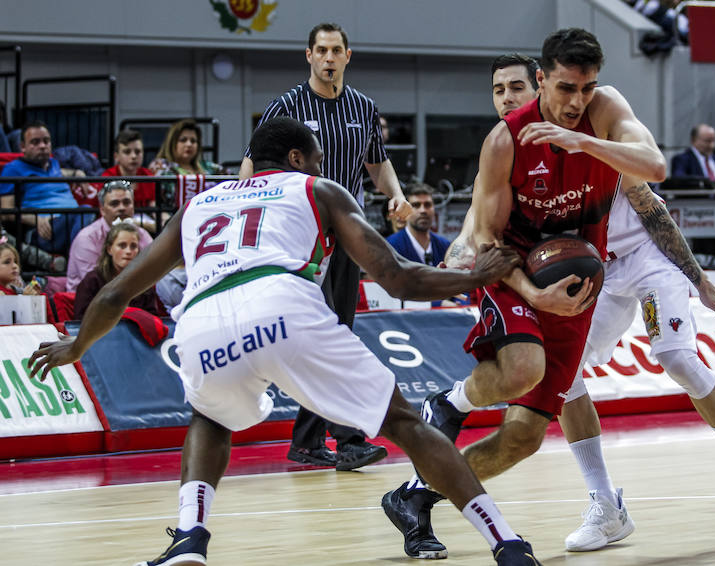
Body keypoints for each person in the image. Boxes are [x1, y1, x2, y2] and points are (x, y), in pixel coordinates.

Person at [28, 116, 540, 566]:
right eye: (316, 159)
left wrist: (76, 347)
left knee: (210, 417)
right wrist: (474, 277)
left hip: (201, 322)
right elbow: (397, 277)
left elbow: (117, 291)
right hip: (280, 302)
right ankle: (506, 542)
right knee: (404, 422)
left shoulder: (200, 205)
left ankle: (189, 537)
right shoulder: (316, 190)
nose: (320, 166)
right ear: (297, 158)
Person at [392, 44, 715, 558]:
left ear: (539, 86)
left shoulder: (599, 126)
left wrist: (700, 280)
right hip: (587, 269)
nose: (509, 98)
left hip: (642, 257)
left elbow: (652, 206)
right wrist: (461, 256)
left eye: (517, 87)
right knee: (567, 378)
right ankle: (606, 506)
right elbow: (478, 227)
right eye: (498, 90)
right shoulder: (507, 149)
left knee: (676, 357)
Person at [239, 22, 412, 471]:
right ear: (309, 56)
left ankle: (312, 438)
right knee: (327, 335)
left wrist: (395, 194)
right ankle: (347, 436)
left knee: (333, 333)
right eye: (321, 50)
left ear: (347, 56)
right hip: (300, 238)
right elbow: (251, 164)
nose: (329, 57)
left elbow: (378, 163)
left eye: (337, 50)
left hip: (347, 236)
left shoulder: (364, 108)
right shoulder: (287, 106)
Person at [0, 121, 92, 255]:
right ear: (22, 147)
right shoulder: (12, 170)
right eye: (35, 142)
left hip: (72, 222)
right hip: (45, 230)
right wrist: (36, 219)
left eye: (46, 141)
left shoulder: (53, 164)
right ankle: (79, 261)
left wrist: (78, 173)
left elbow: (65, 172)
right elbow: (6, 212)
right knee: (86, 212)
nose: (42, 146)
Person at [66, 180, 153, 292]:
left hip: (133, 295)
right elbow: (95, 284)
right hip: (91, 301)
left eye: (126, 202)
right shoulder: (87, 238)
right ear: (102, 210)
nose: (122, 208)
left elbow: (154, 268)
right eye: (114, 204)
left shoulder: (142, 234)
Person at [73, 222, 163, 320]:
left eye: (133, 246)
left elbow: (153, 320)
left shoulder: (144, 283)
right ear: (109, 249)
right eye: (122, 246)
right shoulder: (92, 281)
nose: (128, 251)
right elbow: (80, 320)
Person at [151, 119, 225, 208]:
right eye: (183, 140)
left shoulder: (207, 167)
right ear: (172, 143)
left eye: (193, 141)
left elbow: (231, 179)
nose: (189, 144)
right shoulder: (161, 166)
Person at [101, 129, 158, 232]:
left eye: (138, 152)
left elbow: (154, 207)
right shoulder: (108, 177)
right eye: (127, 152)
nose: (133, 156)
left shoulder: (148, 175)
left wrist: (165, 221)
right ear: (116, 156)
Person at [386, 183, 450, 266]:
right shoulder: (391, 246)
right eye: (416, 205)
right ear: (406, 209)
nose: (423, 210)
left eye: (428, 205)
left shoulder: (445, 246)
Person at [670, 123, 715, 192]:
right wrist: (709, 183)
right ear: (693, 140)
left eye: (713, 141)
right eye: (707, 141)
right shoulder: (682, 160)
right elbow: (678, 178)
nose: (712, 146)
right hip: (700, 201)